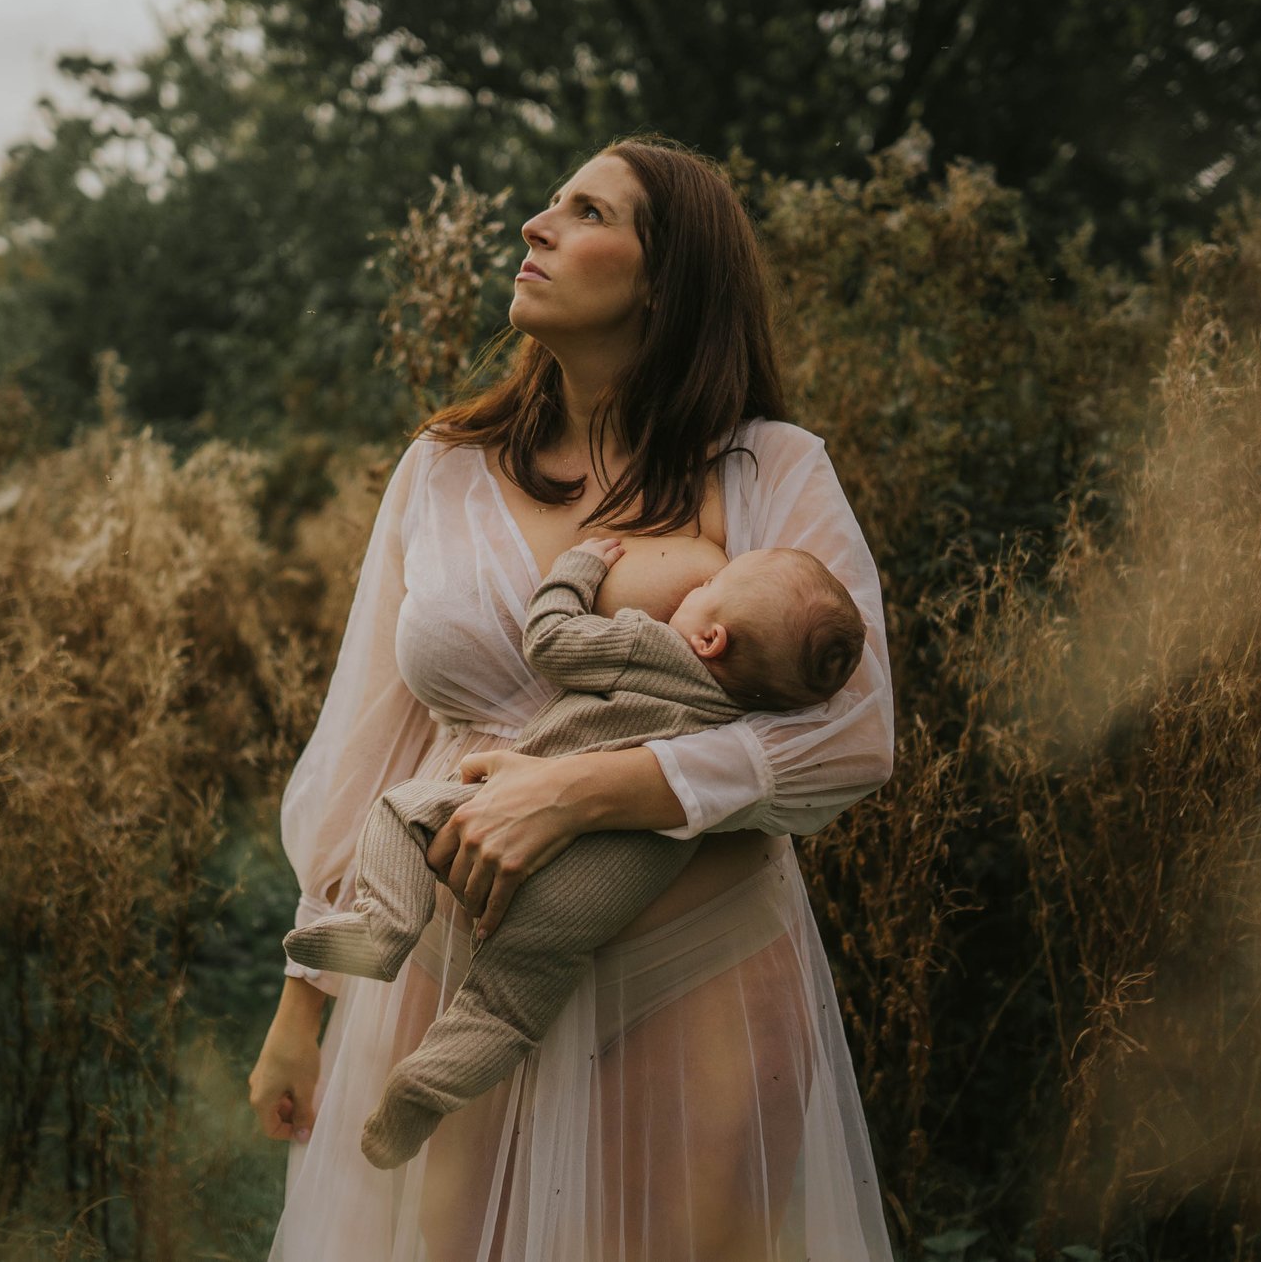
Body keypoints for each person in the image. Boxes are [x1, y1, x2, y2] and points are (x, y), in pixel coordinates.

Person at [249, 134, 898, 1262]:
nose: (533, 225)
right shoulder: (440, 466)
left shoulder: (769, 469)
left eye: (585, 210)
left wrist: (586, 791)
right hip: (449, 967)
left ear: (665, 277)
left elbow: (854, 734)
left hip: (697, 962)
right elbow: (372, 738)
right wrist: (304, 1002)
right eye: (547, 202)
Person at [282, 533, 865, 1168]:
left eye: (704, 592)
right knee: (504, 1012)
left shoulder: (651, 646)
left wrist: (577, 568)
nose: (692, 590)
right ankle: (423, 1088)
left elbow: (550, 640)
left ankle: (384, 925)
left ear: (710, 639)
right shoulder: (746, 726)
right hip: (592, 905)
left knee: (402, 809)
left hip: (497, 808)